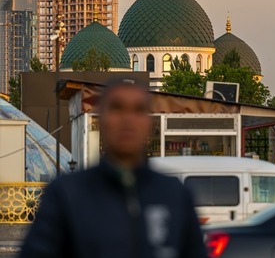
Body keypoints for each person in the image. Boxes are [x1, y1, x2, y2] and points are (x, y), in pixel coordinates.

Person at [21, 78, 208, 258]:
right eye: (117, 108)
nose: (127, 119)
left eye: (138, 110)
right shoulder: (67, 195)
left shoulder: (175, 196)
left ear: (149, 122)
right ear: (101, 119)